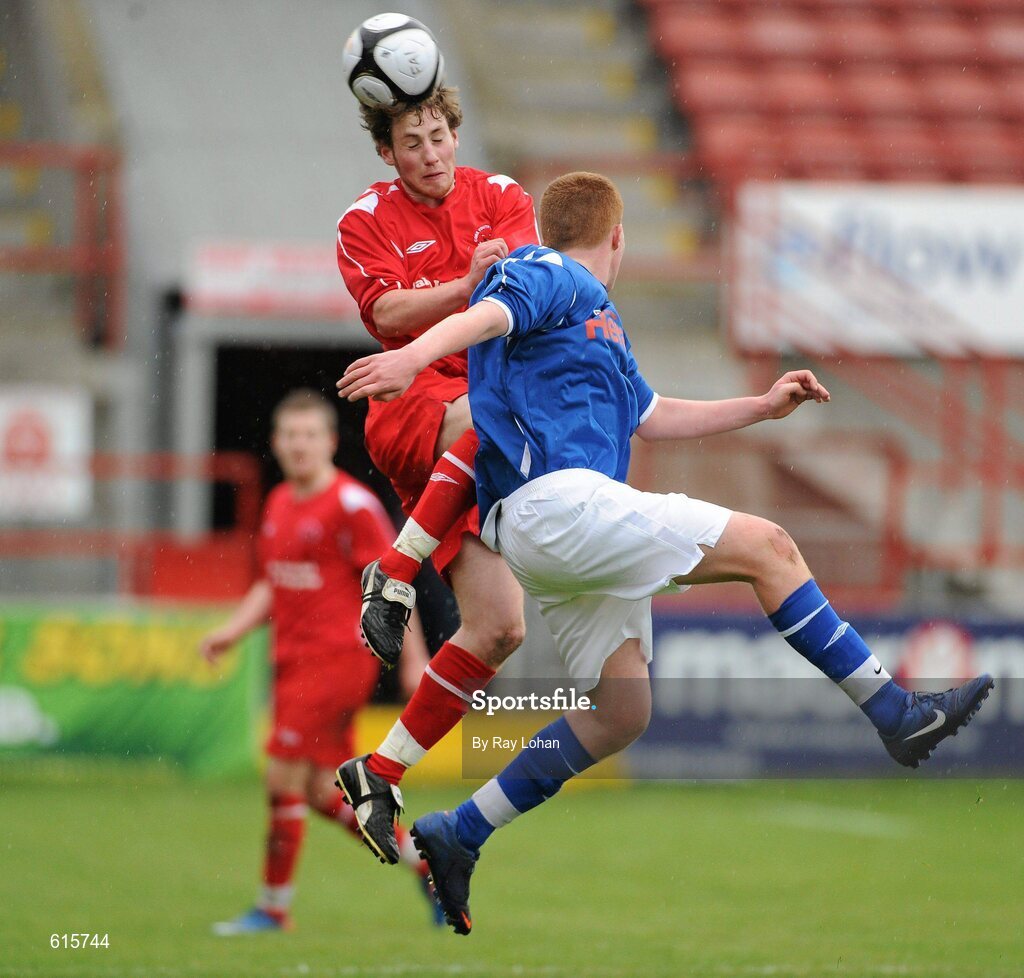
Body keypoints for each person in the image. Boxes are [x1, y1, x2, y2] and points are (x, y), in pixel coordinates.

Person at [337, 171, 995, 935]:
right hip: (560, 505)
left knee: (622, 712)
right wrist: (412, 356)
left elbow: (652, 415)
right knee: (770, 548)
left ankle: (463, 833)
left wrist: (761, 406)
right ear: (619, 237)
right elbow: (487, 313)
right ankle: (895, 711)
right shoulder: (548, 270)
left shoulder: (600, 321)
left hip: (559, 527)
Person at [333, 85, 540, 865]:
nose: (429, 154)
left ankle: (377, 770)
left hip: (481, 420)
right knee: (491, 419)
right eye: (410, 143)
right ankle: (393, 572)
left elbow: (530, 289)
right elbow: (386, 318)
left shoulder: (502, 196)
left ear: (456, 131)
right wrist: (467, 285)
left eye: (438, 136)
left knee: (499, 629)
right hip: (415, 404)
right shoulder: (365, 219)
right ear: (387, 154)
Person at [200, 389, 440, 934]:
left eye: (310, 435)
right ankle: (426, 863)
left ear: (330, 442)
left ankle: (271, 907)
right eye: (290, 435)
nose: (299, 445)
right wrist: (231, 633)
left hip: (336, 661)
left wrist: (414, 656)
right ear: (277, 443)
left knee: (281, 777)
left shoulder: (352, 506)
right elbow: (270, 583)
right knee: (316, 791)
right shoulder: (280, 503)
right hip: (292, 661)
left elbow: (392, 582)